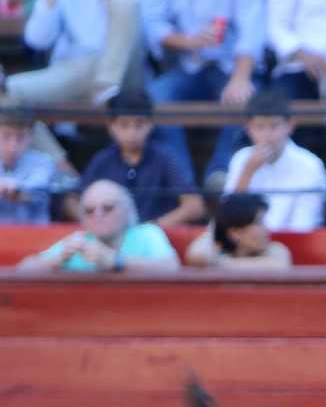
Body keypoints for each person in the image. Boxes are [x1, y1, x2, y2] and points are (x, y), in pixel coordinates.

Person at [141, 0, 267, 184]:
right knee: (156, 98)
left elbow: (253, 29)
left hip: (233, 66)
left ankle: (220, 175)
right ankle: (182, 183)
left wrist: (240, 78)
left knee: (243, 98)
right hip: (187, 64)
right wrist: (188, 41)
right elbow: (152, 23)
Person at [7, 0, 146, 107]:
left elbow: (128, 38)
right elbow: (37, 39)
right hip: (75, 71)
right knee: (9, 90)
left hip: (123, 75)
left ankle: (104, 86)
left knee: (124, 7)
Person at [79, 90, 204, 226]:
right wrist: (98, 224)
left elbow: (194, 205)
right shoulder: (102, 161)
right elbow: (75, 202)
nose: (132, 133)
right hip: (111, 237)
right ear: (111, 126)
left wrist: (152, 229)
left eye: (139, 125)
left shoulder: (165, 158)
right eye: (124, 125)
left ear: (150, 124)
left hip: (156, 240)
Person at [16, 178, 180, 272]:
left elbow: (172, 267)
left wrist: (116, 262)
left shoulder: (147, 233)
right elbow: (22, 270)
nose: (98, 215)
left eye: (107, 208)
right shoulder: (78, 242)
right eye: (89, 210)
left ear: (127, 210)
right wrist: (56, 260)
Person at [223, 89, 326, 232]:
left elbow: (303, 227)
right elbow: (226, 219)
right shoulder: (242, 159)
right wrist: (247, 173)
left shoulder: (310, 165)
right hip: (244, 245)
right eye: (260, 127)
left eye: (274, 126)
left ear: (290, 125)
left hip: (294, 246)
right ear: (248, 129)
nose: (267, 135)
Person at [185, 192, 293, 268]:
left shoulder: (275, 250)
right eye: (259, 222)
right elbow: (196, 255)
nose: (266, 228)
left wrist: (221, 264)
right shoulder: (214, 251)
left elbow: (278, 266)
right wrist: (218, 227)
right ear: (236, 233)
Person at [0, 103, 56, 224]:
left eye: (20, 137)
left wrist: (15, 190)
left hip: (36, 237)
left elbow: (35, 189)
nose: (13, 146)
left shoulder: (44, 162)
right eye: (6, 136)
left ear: (30, 136)